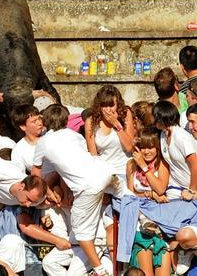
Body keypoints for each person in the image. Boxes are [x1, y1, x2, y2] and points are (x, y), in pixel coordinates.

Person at [32, 104, 123, 276]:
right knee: (51, 262)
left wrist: (46, 193)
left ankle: (100, 270)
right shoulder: (75, 136)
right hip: (104, 173)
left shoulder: (43, 142)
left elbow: (35, 176)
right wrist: (53, 190)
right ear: (66, 120)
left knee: (82, 236)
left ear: (45, 122)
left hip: (88, 191)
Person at [126, 127, 171, 276]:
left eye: (151, 147)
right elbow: (130, 195)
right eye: (143, 147)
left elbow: (160, 188)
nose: (147, 151)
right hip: (141, 228)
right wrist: (149, 194)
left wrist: (144, 166)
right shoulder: (131, 165)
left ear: (158, 147)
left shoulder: (163, 164)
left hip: (162, 228)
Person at [85, 85, 136, 176]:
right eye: (104, 105)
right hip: (105, 172)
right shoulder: (90, 121)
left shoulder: (125, 114)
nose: (108, 110)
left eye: (111, 105)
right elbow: (93, 155)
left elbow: (130, 147)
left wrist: (116, 124)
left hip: (125, 170)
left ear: (118, 105)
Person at [153, 101, 197, 200]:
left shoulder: (181, 137)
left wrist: (192, 191)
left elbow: (195, 164)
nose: (154, 121)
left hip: (189, 190)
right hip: (175, 189)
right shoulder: (163, 135)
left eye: (155, 117)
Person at [9, 104, 44, 173]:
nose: (40, 123)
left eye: (39, 119)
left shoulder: (50, 135)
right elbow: (20, 176)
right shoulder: (18, 150)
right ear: (23, 127)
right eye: (34, 121)